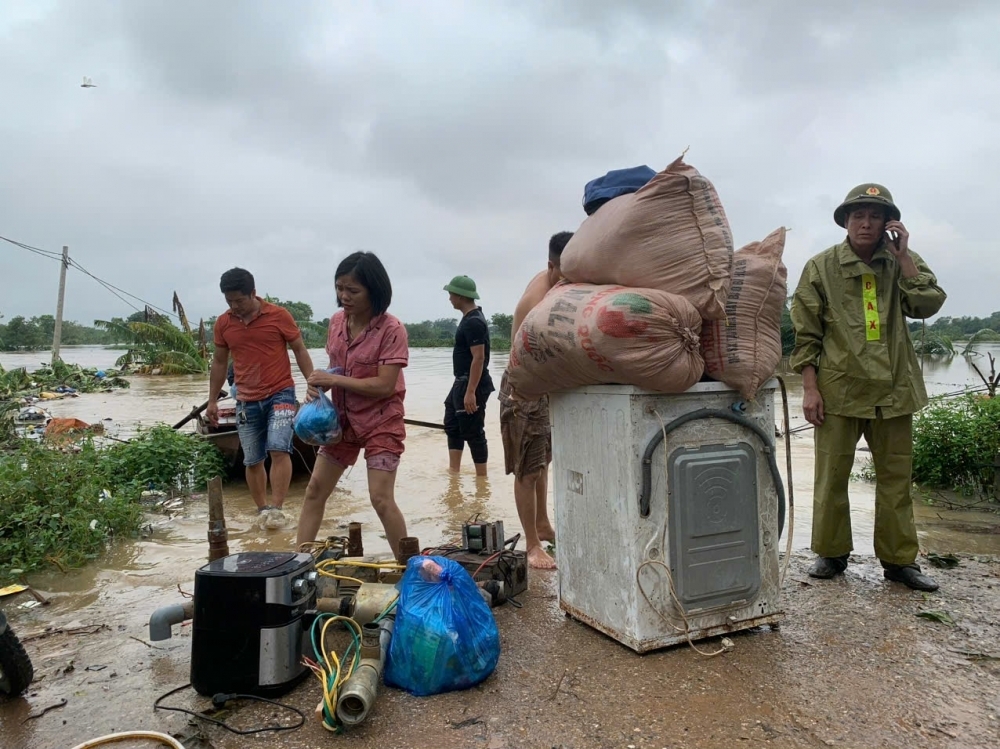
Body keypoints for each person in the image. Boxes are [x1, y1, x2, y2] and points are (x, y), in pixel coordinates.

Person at [790, 183, 946, 591]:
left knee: (896, 479)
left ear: (888, 223)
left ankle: (899, 563)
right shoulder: (821, 267)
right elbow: (806, 335)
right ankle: (831, 553)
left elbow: (926, 304)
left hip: (895, 391)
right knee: (831, 477)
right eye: (858, 215)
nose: (866, 222)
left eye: (875, 215)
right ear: (845, 221)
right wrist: (809, 388)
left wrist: (906, 258)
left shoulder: (901, 262)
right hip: (839, 391)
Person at [296, 252, 410, 555]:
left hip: (382, 422)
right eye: (339, 288)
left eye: (353, 291)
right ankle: (298, 562)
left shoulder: (391, 329)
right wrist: (317, 385)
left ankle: (409, 569)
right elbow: (336, 369)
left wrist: (335, 382)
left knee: (381, 499)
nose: (343, 296)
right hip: (341, 423)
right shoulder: (336, 323)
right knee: (314, 491)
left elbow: (385, 385)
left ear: (374, 290)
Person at [208, 268, 314, 529]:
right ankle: (261, 509)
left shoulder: (279, 316)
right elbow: (220, 362)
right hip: (245, 398)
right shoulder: (224, 323)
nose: (234, 306)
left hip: (281, 392)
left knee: (279, 448)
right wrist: (212, 400)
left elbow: (299, 350)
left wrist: (314, 385)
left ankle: (276, 509)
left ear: (253, 293)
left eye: (239, 301)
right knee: (252, 459)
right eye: (229, 301)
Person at [499, 231, 573, 569]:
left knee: (543, 463)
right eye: (567, 271)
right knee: (527, 471)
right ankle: (531, 545)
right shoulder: (539, 302)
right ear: (550, 265)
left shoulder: (554, 283)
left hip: (542, 389)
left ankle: (543, 524)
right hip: (522, 392)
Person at [443, 275, 495, 476]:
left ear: (460, 296)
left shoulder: (474, 322)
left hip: (472, 383)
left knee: (473, 431)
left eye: (451, 294)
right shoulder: (468, 319)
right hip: (461, 381)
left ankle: (482, 479)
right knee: (452, 422)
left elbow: (479, 358)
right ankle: (453, 472)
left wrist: (471, 392)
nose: (449, 299)